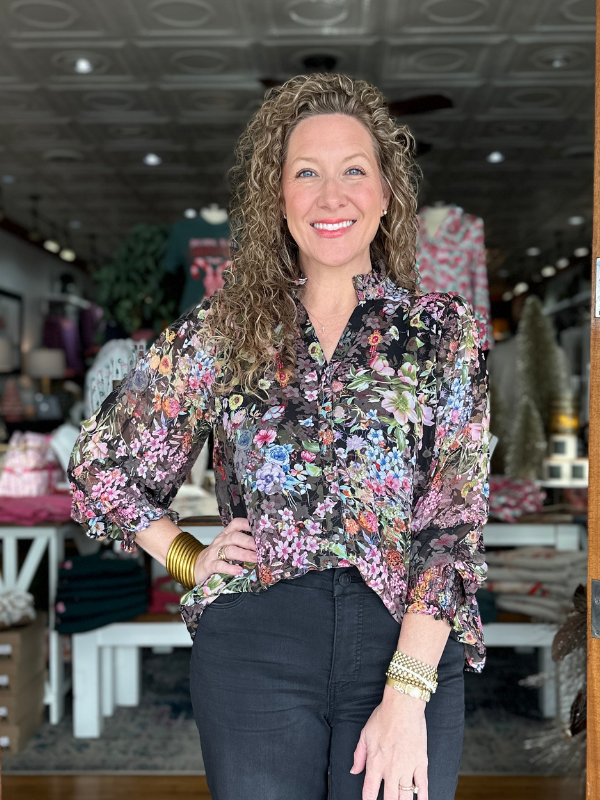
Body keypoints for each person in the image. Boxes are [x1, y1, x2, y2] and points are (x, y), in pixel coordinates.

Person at [68, 73, 490, 800]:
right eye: (307, 173)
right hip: (255, 649)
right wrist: (185, 555)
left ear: (387, 194)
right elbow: (101, 464)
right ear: (279, 198)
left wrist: (407, 691)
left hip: (404, 643)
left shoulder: (441, 334)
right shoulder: (225, 329)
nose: (332, 196)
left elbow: (452, 525)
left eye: (354, 171)